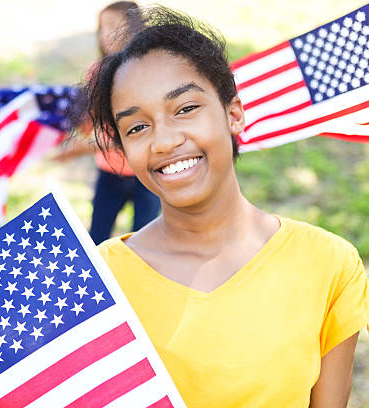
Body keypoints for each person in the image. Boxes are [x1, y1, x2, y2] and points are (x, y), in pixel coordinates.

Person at [77, 6, 369, 407]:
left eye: (185, 108)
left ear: (234, 114)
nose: (163, 141)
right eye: (137, 127)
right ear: (123, 149)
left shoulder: (329, 263)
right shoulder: (97, 281)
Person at [56, 1, 160, 245]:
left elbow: (139, 129)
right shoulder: (97, 71)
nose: (105, 34)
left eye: (113, 26)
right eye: (101, 27)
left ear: (135, 29)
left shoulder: (147, 71)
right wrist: (66, 127)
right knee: (98, 238)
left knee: (144, 241)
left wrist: (85, 147)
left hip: (146, 172)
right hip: (109, 172)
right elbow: (88, 119)